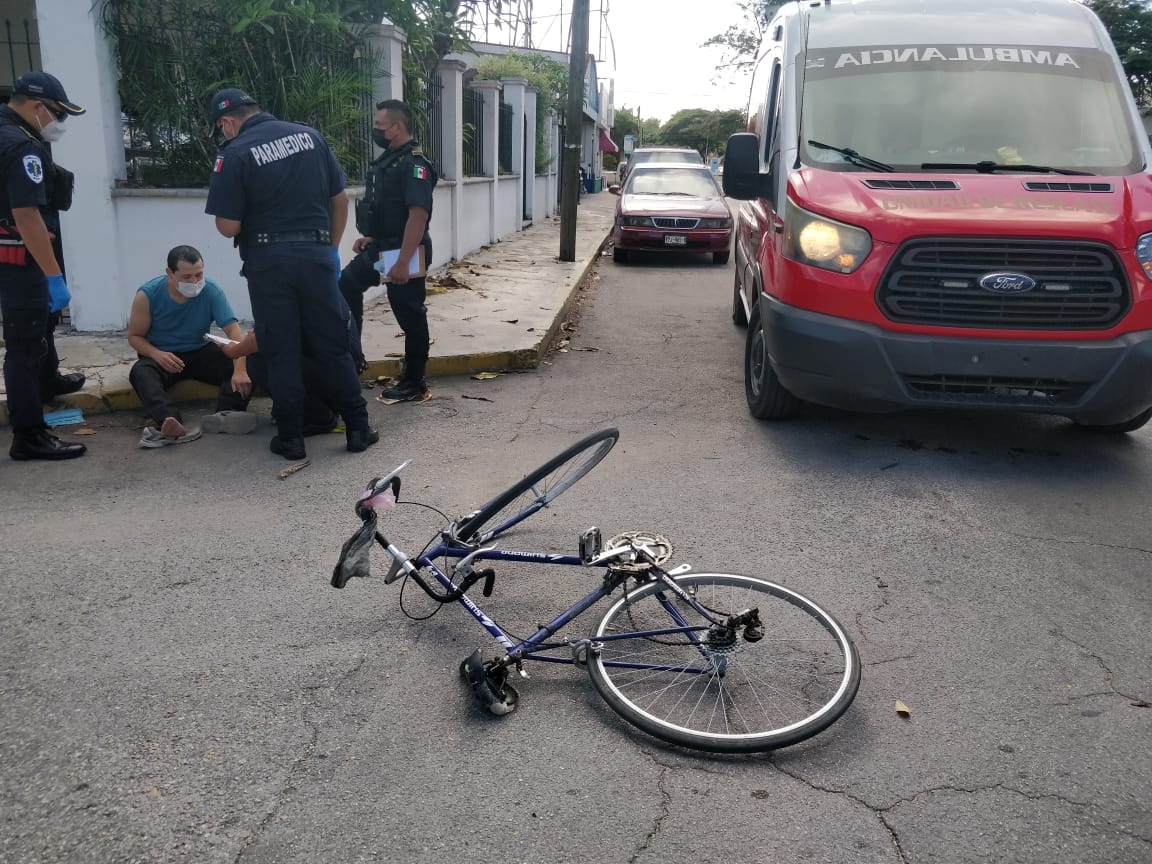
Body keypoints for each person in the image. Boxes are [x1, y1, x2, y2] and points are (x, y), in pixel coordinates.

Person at [205, 87, 377, 460]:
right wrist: (329, 249)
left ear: (227, 121)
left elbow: (228, 226)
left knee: (280, 349)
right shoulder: (310, 136)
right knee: (332, 345)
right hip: (316, 255)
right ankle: (359, 428)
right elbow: (339, 198)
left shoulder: (233, 153)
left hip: (270, 263)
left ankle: (292, 438)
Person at [0, 70, 87, 460]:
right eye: (59, 115)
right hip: (21, 258)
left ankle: (48, 382)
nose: (60, 123)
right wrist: (53, 277)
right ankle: (29, 436)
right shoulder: (22, 147)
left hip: (15, 252)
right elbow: (27, 215)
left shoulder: (9, 131)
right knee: (24, 343)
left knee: (42, 327)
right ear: (38, 107)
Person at [339, 99, 437, 402]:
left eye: (380, 125)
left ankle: (414, 381)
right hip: (383, 246)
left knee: (409, 314)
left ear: (397, 126)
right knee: (345, 286)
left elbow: (417, 215)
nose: (376, 131)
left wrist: (403, 262)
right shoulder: (389, 161)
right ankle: (353, 358)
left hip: (404, 251)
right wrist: (370, 235)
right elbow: (386, 208)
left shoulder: (414, 164)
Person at [127, 245, 255, 447]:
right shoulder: (148, 294)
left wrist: (240, 370)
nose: (195, 282)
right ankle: (170, 422)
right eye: (187, 277)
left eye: (199, 274)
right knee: (141, 373)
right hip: (162, 354)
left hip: (200, 349)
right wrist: (157, 354)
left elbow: (234, 333)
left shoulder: (211, 290)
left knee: (247, 362)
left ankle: (226, 414)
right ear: (170, 273)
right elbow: (135, 337)